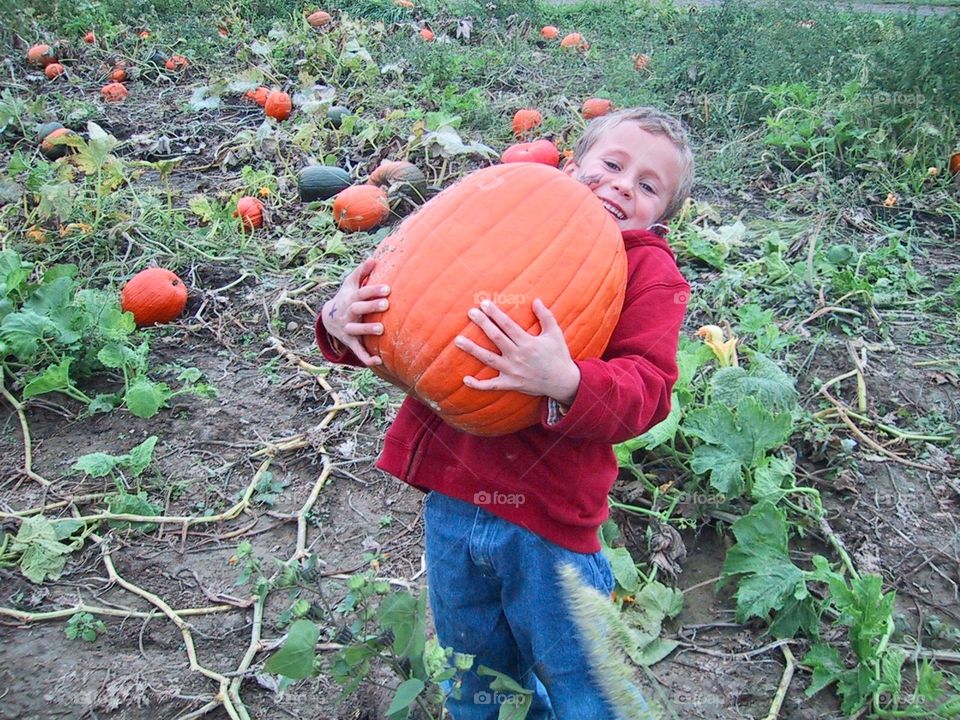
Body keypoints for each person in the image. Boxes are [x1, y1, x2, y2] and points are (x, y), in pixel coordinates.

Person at [315, 107, 694, 720]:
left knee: (583, 682)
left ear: (662, 216)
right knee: (475, 674)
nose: (625, 185)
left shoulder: (647, 272)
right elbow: (417, 313)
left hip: (549, 526)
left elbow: (648, 389)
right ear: (573, 166)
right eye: (613, 165)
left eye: (649, 186)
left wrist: (567, 381)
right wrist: (340, 322)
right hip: (453, 506)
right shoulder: (514, 211)